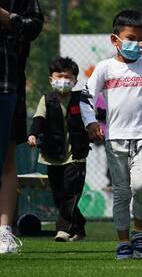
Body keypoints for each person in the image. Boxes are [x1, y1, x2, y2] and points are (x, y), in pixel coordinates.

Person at [80, 10, 142, 260]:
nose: (136, 45)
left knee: (141, 187)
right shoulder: (105, 68)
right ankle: (123, 242)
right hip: (115, 139)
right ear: (115, 40)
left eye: (141, 40)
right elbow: (86, 96)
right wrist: (90, 122)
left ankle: (139, 234)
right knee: (122, 192)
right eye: (130, 38)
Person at [0, 0, 44, 255]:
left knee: (7, 159)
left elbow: (34, 24)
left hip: (5, 81)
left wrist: (6, 18)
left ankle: (3, 230)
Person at [26, 57, 90, 242]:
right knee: (58, 196)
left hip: (76, 155)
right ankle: (79, 226)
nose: (63, 79)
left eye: (68, 76)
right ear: (51, 79)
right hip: (53, 155)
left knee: (70, 192)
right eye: (59, 75)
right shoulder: (46, 99)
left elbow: (92, 117)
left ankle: (63, 229)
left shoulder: (81, 99)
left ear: (75, 80)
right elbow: (39, 118)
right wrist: (33, 135)